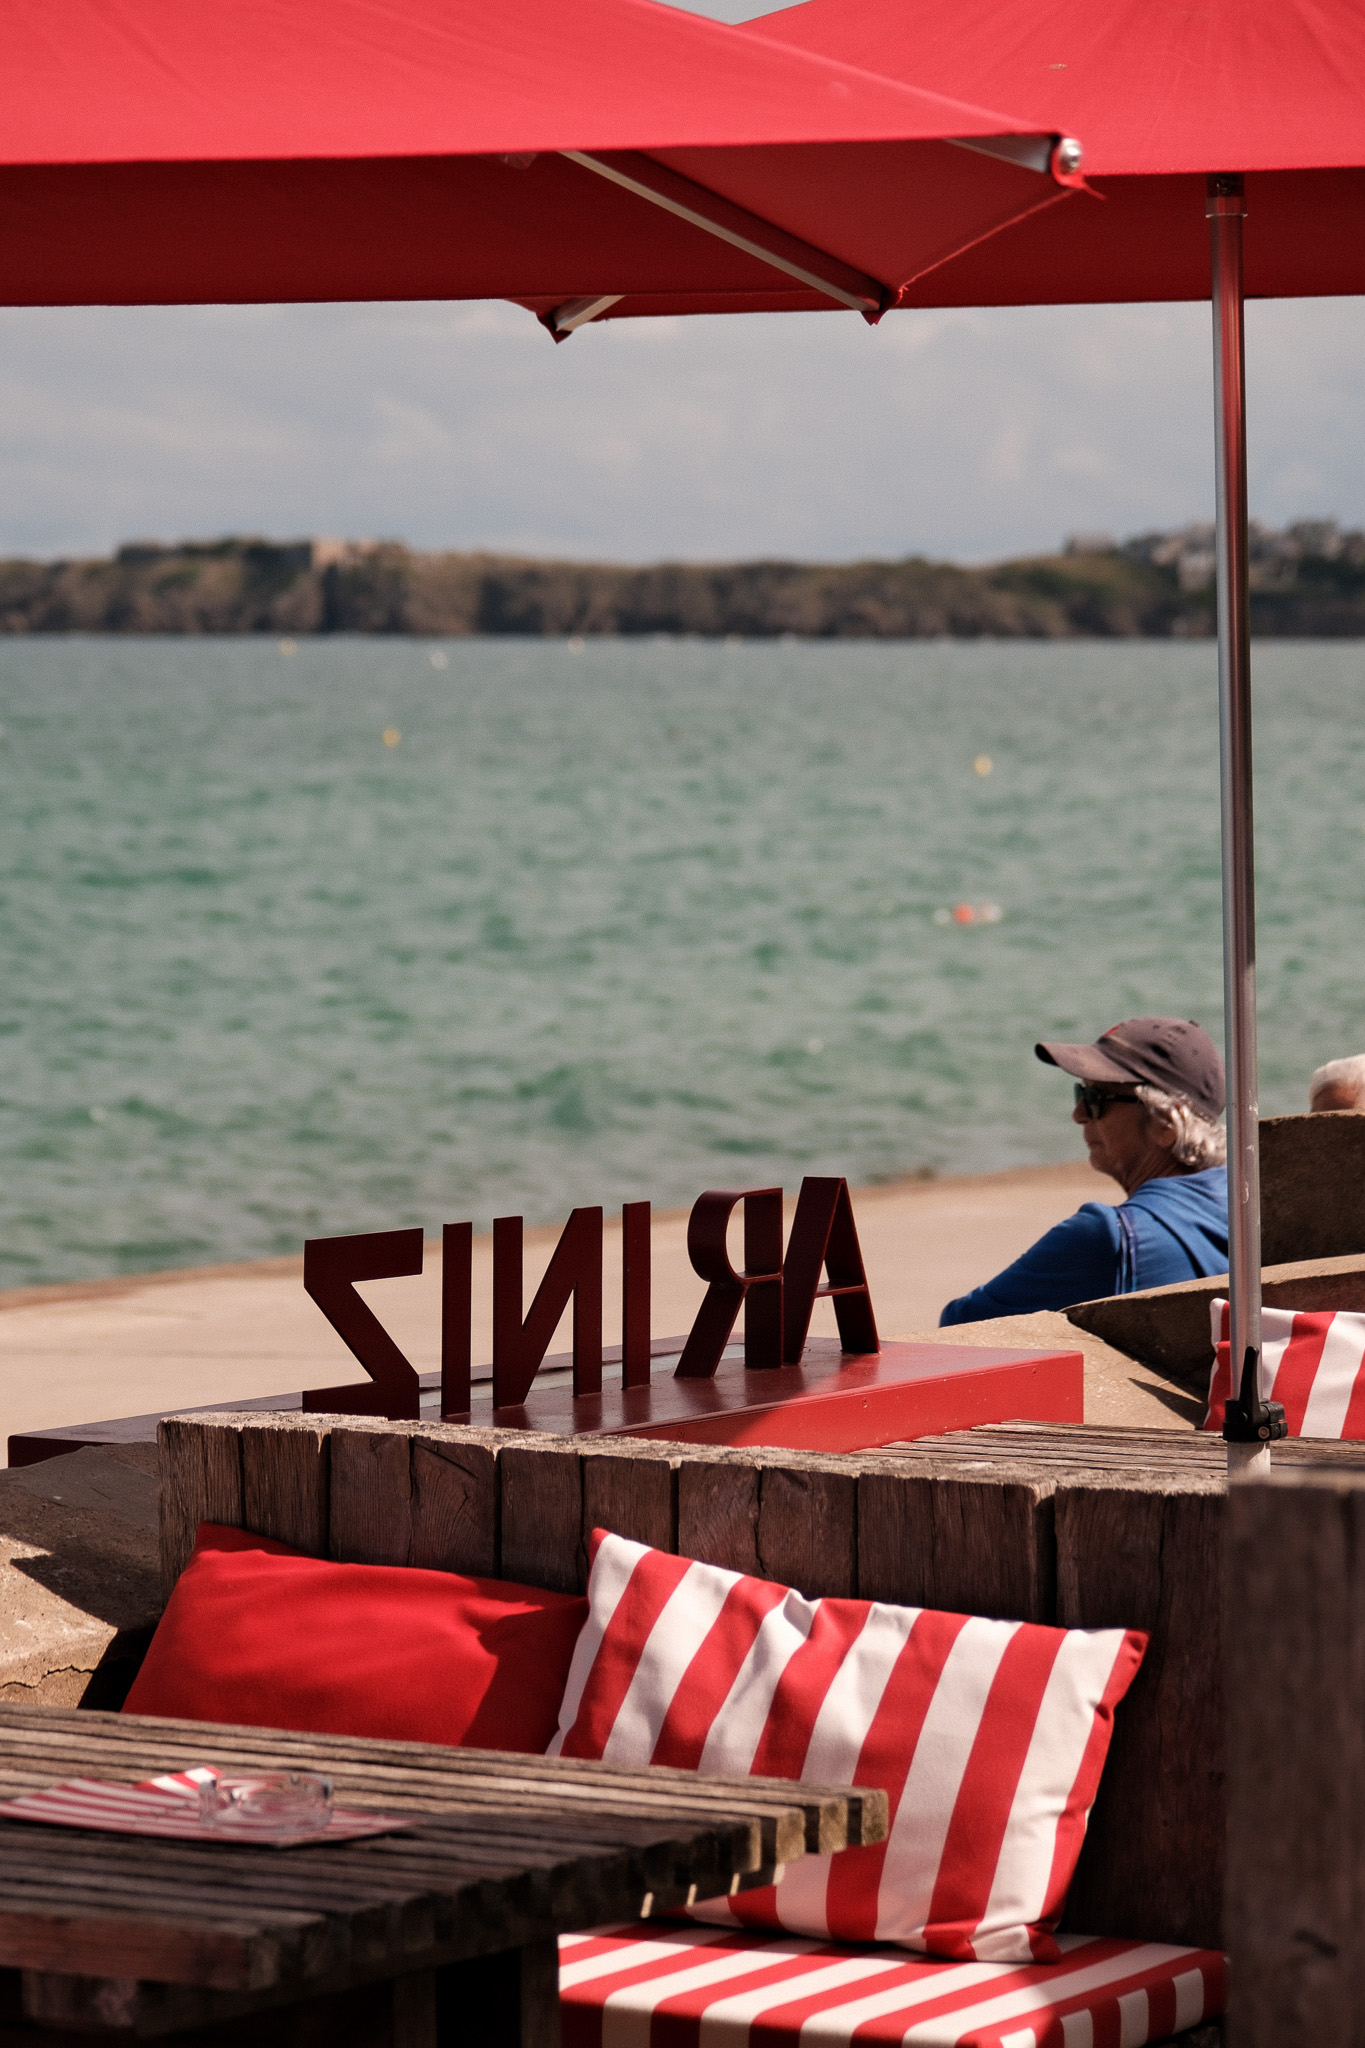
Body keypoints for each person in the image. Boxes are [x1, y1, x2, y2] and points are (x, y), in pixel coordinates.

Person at [940, 1016, 1229, 1325]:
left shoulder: (1109, 1237)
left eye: (1095, 1100)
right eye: (1081, 1093)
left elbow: (959, 1325)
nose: (1078, 1114)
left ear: (1166, 1125)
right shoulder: (1246, 1205)